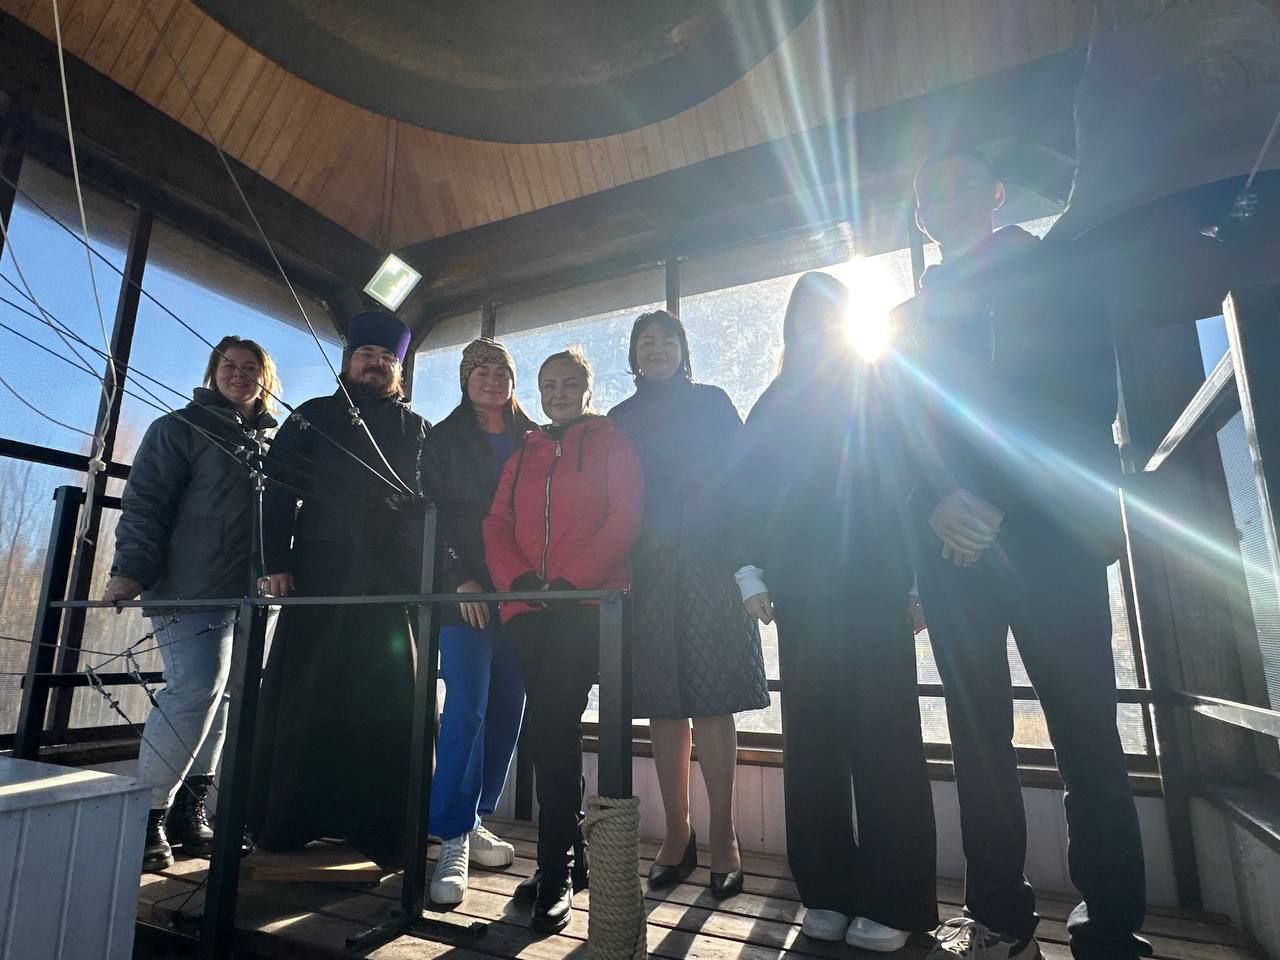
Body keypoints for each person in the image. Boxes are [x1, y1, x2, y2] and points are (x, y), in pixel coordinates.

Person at [898, 149, 1148, 959]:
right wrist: (935, 500)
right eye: (933, 189)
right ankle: (999, 918)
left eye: (965, 179)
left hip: (1050, 538)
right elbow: (891, 431)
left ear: (997, 192)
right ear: (920, 214)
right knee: (978, 739)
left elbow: (1086, 398)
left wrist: (991, 499)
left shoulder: (1054, 270)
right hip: (952, 549)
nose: (948, 194)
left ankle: (1112, 924)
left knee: (1086, 730)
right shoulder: (906, 318)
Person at [732, 272, 937, 952]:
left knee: (887, 739)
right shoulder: (774, 401)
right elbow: (747, 490)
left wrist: (919, 582)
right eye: (806, 314)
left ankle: (895, 902)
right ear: (792, 323)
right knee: (812, 745)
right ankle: (824, 892)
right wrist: (748, 570)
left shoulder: (882, 385)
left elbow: (914, 480)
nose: (817, 324)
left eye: (830, 313)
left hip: (878, 583)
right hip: (801, 591)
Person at [248, 310, 428, 870]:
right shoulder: (312, 417)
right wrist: (275, 561)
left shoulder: (417, 429)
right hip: (318, 573)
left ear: (398, 370)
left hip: (388, 582)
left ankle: (379, 828)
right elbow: (277, 489)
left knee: (384, 698)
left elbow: (429, 508)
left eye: (387, 358)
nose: (376, 364)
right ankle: (289, 820)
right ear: (349, 362)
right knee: (306, 694)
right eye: (366, 355)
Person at [607, 309, 768, 901]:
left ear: (683, 349)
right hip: (646, 572)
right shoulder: (619, 419)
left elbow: (745, 479)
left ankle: (724, 834)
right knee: (663, 704)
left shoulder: (712, 403)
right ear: (633, 354)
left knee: (713, 701)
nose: (656, 348)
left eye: (667, 340)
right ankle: (678, 832)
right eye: (646, 341)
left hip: (710, 563)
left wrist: (748, 564)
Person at [104, 336, 280, 871]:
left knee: (222, 697)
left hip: (249, 594)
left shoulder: (272, 444)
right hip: (190, 586)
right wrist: (129, 571)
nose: (238, 373)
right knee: (194, 689)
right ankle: (146, 814)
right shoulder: (178, 429)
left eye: (250, 367)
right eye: (228, 365)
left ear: (265, 379)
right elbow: (146, 502)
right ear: (212, 372)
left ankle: (188, 811)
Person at [483, 348, 644, 933]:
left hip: (588, 605)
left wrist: (572, 581)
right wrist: (520, 582)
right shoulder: (522, 454)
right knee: (551, 725)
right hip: (527, 609)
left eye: (569, 383)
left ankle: (553, 870)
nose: (558, 393)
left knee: (550, 722)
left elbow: (625, 517)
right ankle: (570, 858)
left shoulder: (613, 443)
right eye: (548, 384)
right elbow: (496, 524)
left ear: (587, 389)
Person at [420, 338, 535, 904]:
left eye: (501, 370)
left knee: (510, 702)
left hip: (522, 593)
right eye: (480, 371)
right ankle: (451, 835)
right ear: (465, 380)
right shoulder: (441, 440)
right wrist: (458, 576)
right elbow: (429, 513)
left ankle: (475, 816)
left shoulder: (535, 438)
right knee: (468, 704)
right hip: (464, 592)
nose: (492, 379)